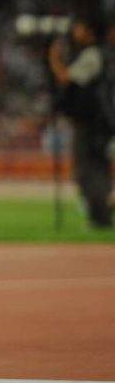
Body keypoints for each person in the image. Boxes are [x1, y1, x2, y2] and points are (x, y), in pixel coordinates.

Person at [48, 15, 113, 229]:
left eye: (79, 28)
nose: (75, 32)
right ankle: (100, 212)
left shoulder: (93, 55)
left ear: (90, 31)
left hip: (92, 122)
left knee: (89, 169)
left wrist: (53, 58)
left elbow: (67, 78)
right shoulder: (99, 54)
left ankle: (100, 215)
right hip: (96, 121)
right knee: (90, 168)